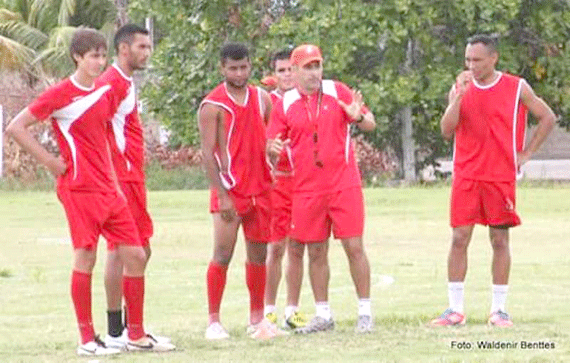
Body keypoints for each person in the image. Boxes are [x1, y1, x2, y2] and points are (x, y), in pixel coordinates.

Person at [5, 28, 172, 355]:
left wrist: (115, 183)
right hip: (78, 188)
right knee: (87, 257)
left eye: (101, 55)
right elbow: (15, 127)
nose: (98, 62)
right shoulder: (60, 94)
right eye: (92, 56)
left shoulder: (106, 92)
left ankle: (133, 335)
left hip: (109, 189)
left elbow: (106, 141)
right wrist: (51, 162)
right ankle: (86, 340)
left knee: (136, 255)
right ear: (77, 58)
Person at [430, 34, 556, 327]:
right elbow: (446, 130)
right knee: (459, 237)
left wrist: (525, 154)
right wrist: (458, 96)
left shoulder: (516, 87)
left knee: (499, 239)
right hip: (466, 174)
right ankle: (455, 310)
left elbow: (547, 116)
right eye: (467, 60)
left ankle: (498, 309)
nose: (471, 65)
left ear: (493, 58)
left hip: (500, 176)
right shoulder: (461, 87)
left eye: (477, 60)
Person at [267, 44, 376, 334]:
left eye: (318, 65)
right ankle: (323, 313)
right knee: (315, 250)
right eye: (308, 67)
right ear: (294, 70)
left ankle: (365, 312)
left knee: (354, 247)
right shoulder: (285, 103)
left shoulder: (337, 91)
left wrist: (358, 116)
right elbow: (271, 144)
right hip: (305, 189)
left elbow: (370, 123)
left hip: (344, 184)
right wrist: (272, 148)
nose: (315, 72)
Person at [95, 24, 172, 349]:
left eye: (148, 47)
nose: (147, 53)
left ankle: (120, 330)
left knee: (125, 252)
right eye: (142, 47)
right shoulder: (111, 83)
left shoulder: (126, 82)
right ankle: (127, 332)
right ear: (124, 49)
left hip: (131, 178)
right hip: (119, 180)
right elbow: (95, 127)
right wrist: (110, 176)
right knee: (130, 253)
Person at [198, 42, 280, 340]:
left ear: (250, 66)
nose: (239, 72)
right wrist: (221, 194)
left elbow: (270, 136)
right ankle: (214, 321)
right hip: (231, 189)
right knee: (222, 253)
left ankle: (257, 318)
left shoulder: (263, 99)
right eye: (232, 68)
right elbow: (207, 154)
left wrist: (272, 151)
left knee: (258, 255)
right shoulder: (212, 105)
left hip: (262, 188)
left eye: (243, 67)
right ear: (222, 68)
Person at [263, 47, 308, 329]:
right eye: (281, 70)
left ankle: (292, 309)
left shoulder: (307, 100)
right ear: (274, 74)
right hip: (277, 181)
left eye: (291, 69)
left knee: (298, 246)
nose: (287, 75)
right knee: (275, 246)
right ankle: (268, 309)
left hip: (303, 182)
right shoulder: (267, 103)